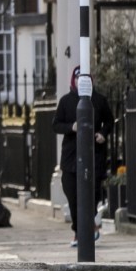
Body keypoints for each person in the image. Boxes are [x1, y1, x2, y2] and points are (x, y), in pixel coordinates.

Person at [53, 66, 114, 246]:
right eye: (78, 78)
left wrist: (103, 133)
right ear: (74, 80)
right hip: (71, 156)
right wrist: (70, 127)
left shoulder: (99, 100)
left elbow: (109, 120)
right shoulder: (66, 101)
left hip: (94, 154)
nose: (81, 82)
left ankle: (83, 232)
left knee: (91, 194)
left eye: (84, 79)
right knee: (72, 193)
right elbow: (55, 125)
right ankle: (81, 230)